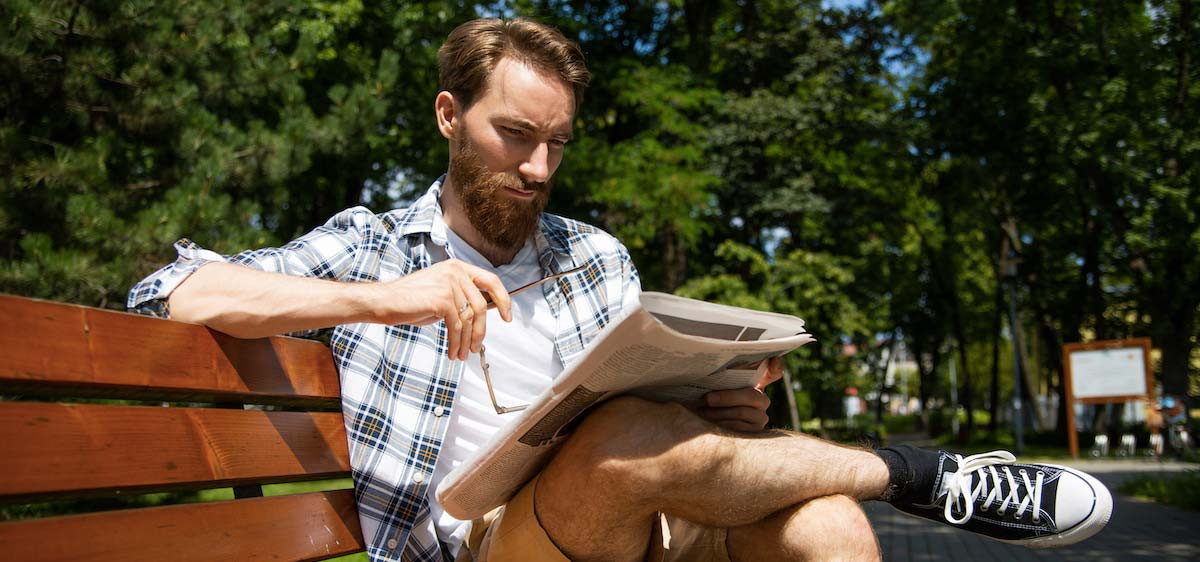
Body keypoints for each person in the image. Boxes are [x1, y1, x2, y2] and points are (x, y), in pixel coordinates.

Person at [129, 17, 1112, 562]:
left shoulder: (596, 256)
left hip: (642, 518)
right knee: (607, 443)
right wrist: (387, 299)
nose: (541, 165)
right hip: (486, 546)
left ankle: (888, 485)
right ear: (448, 115)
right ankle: (922, 475)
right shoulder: (377, 247)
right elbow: (170, 294)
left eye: (558, 142)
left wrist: (720, 401)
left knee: (825, 528)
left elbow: (655, 422)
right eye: (516, 135)